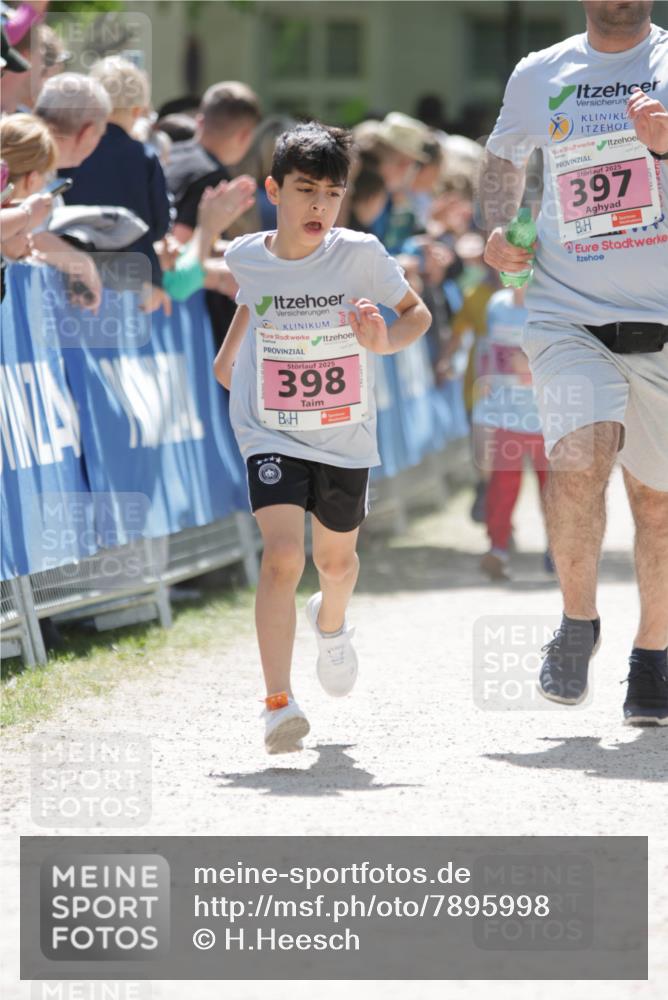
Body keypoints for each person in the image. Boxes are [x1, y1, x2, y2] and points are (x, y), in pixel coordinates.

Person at [213, 122, 431, 754]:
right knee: (284, 557)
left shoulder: (360, 253)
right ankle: (277, 704)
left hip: (343, 435)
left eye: (332, 194)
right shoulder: (245, 255)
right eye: (306, 190)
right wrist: (231, 365)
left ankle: (330, 624)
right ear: (273, 190)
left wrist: (383, 339)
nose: (319, 206)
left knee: (335, 564)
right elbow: (253, 304)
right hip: (270, 431)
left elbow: (417, 313)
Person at [481, 0, 668, 724]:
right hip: (567, 314)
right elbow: (502, 163)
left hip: (662, 322)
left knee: (655, 505)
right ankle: (577, 619)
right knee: (578, 458)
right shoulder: (541, 73)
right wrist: (497, 232)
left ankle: (652, 656)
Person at [58, 56, 172, 313]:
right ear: (136, 111)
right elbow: (160, 224)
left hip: (71, 270)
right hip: (133, 274)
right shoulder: (145, 157)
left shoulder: (71, 148)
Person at [164, 80, 260, 349]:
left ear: (200, 120)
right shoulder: (211, 176)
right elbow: (179, 247)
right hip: (185, 315)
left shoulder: (170, 154)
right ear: (244, 136)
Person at [473, 285, 550, 581]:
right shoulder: (496, 304)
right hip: (506, 413)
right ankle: (498, 549)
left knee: (553, 488)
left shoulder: (550, 302)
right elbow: (487, 353)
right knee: (503, 486)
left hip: (547, 414)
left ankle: (557, 549)